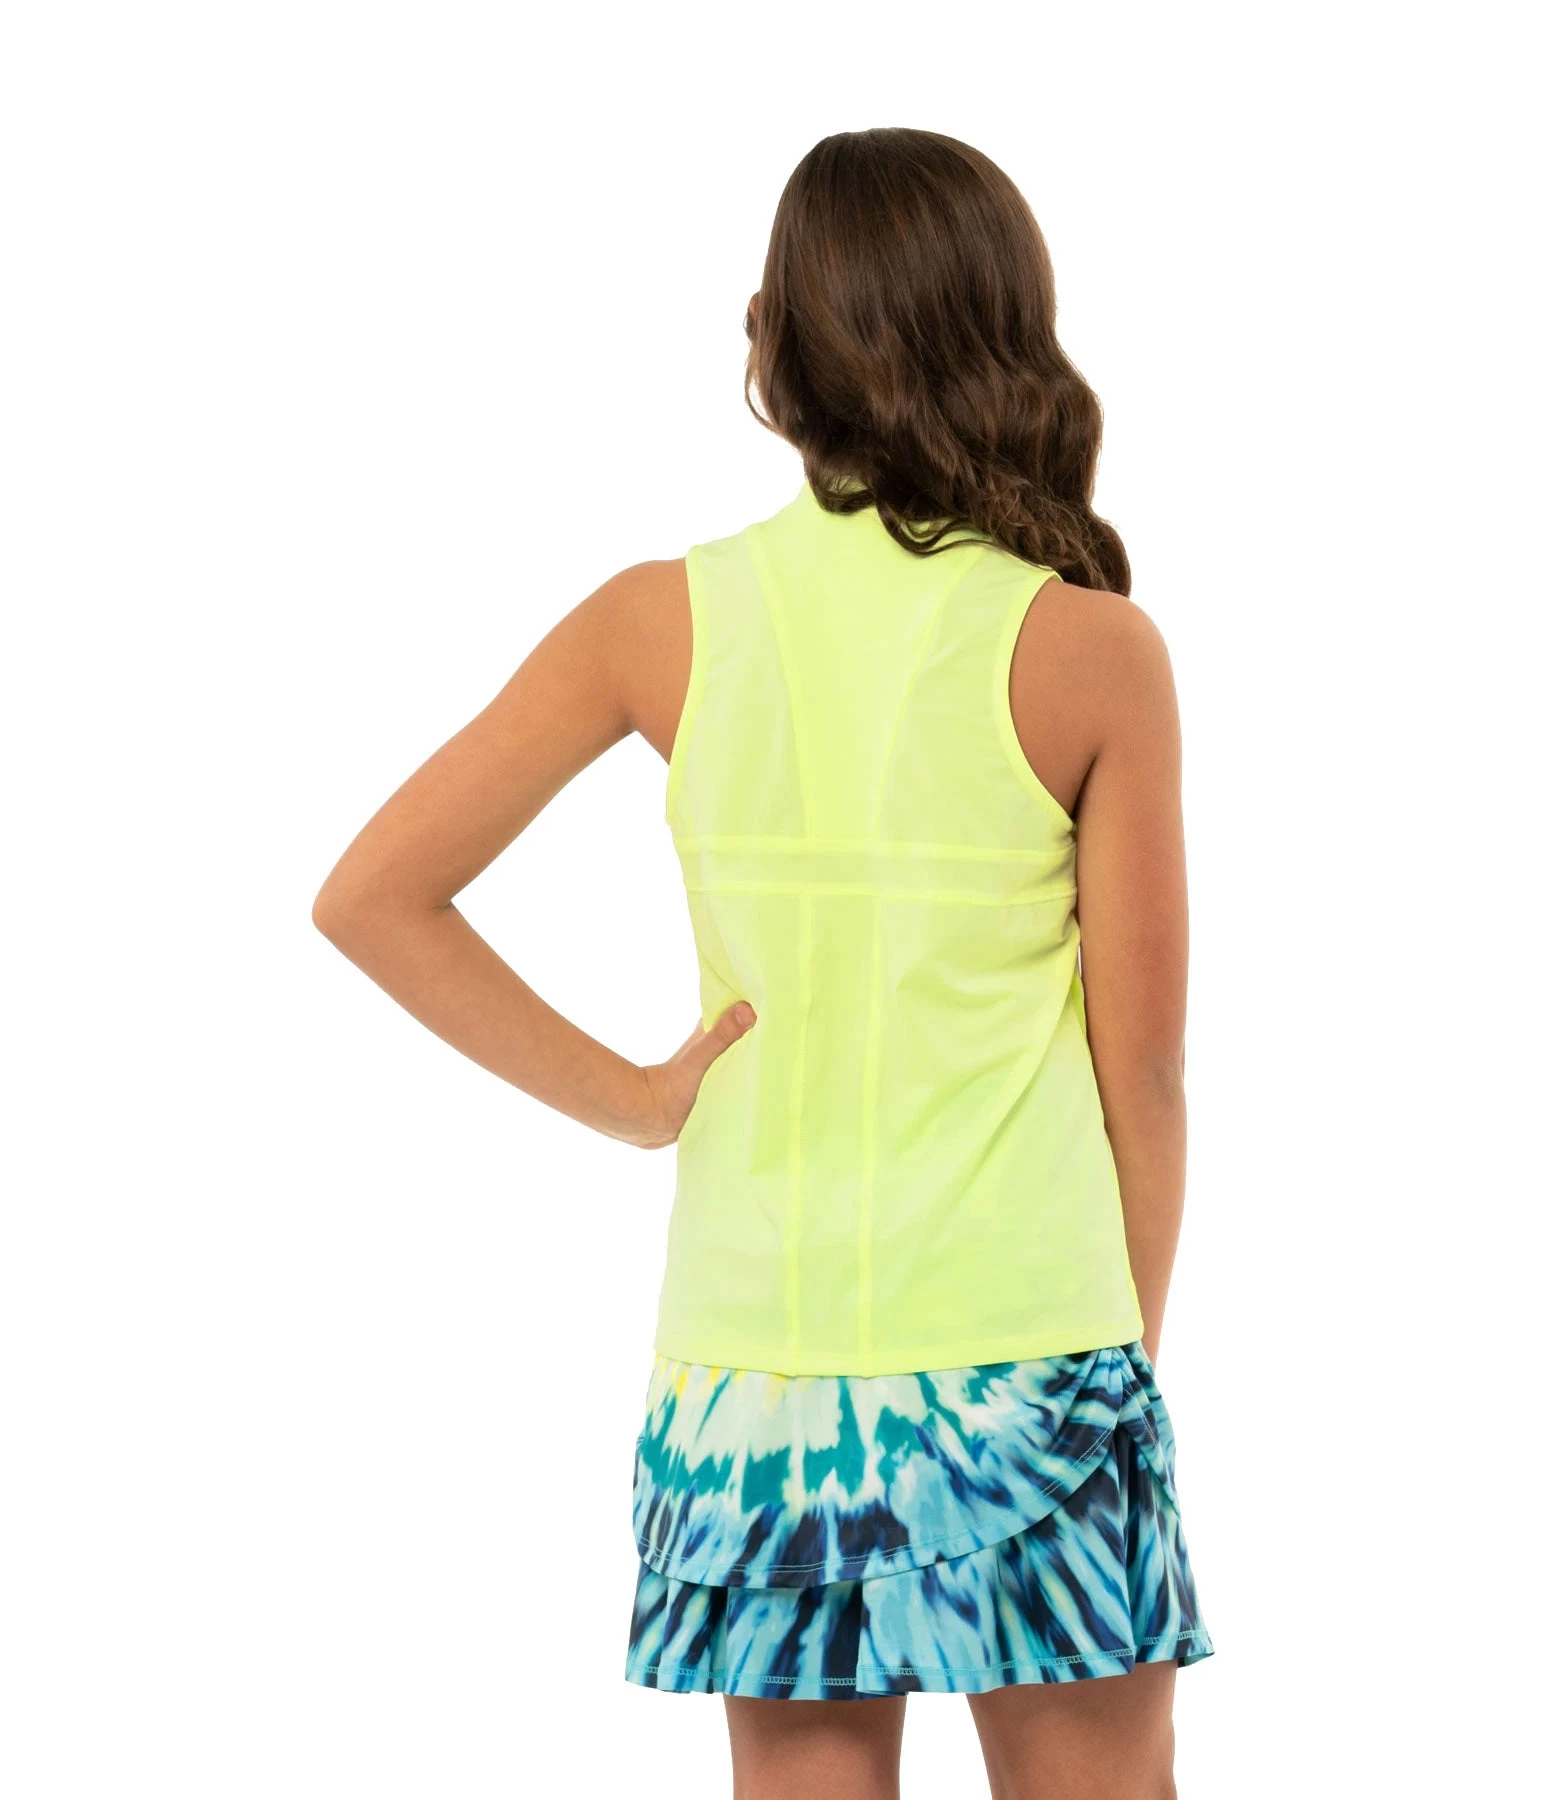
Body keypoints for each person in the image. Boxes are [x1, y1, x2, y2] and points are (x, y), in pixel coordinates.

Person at [314, 126, 1212, 1800]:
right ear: (1010, 331)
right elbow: (1143, 1075)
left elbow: (376, 893)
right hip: (1029, 1349)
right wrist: (1120, 1369)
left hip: (755, 1388)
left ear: (778, 342)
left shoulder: (659, 623)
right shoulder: (1091, 652)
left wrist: (641, 1101)